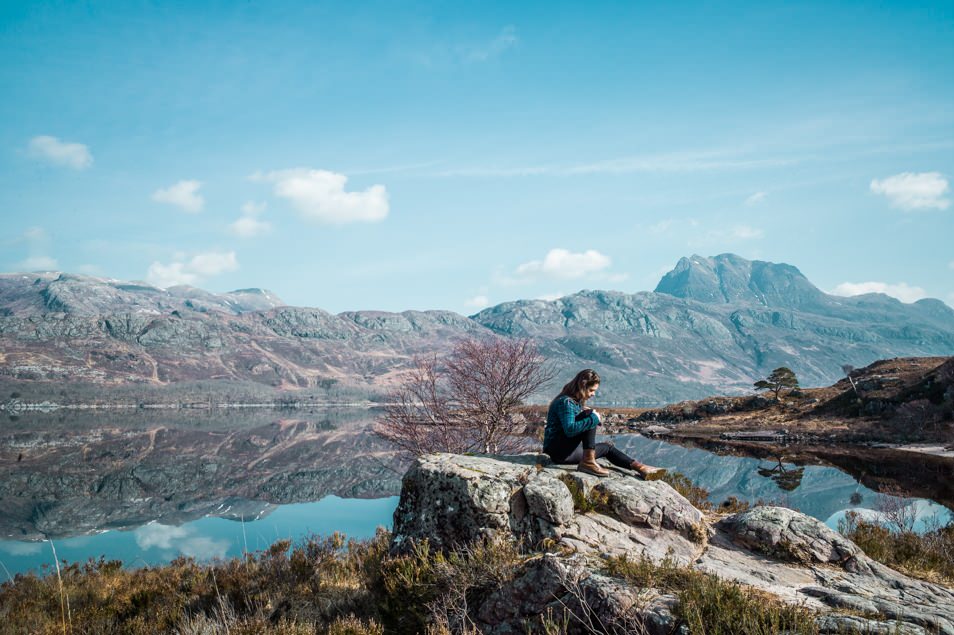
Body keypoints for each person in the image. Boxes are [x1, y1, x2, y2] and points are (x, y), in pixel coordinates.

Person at [543, 369, 663, 478]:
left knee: (607, 447)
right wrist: (593, 418)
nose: (593, 394)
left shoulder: (572, 402)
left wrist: (586, 414)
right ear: (582, 386)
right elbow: (570, 429)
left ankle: (641, 468)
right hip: (558, 452)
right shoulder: (566, 402)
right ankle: (588, 463)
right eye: (591, 390)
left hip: (563, 452)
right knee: (591, 416)